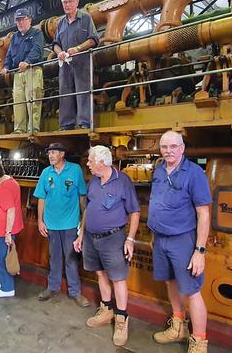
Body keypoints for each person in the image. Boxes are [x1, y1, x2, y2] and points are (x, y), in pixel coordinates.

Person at [148, 131, 212, 353]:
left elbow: (203, 213)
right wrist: (154, 236)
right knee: (170, 282)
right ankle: (178, 327)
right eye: (164, 147)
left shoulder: (194, 174)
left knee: (192, 291)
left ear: (182, 148)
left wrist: (199, 251)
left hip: (183, 240)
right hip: (160, 239)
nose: (169, 151)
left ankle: (199, 342)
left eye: (173, 146)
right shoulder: (158, 170)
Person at [74, 145, 140, 346]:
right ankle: (106, 310)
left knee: (118, 279)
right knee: (100, 273)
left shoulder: (123, 181)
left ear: (102, 162)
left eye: (90, 161)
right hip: (91, 238)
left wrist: (130, 239)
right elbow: (88, 209)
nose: (87, 164)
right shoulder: (93, 181)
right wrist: (81, 233)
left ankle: (121, 318)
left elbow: (135, 212)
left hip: (113, 238)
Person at [33, 142, 90, 307]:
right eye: (49, 152)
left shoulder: (75, 170)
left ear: (62, 154)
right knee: (54, 258)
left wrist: (82, 223)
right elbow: (41, 198)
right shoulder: (46, 172)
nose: (50, 155)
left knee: (71, 258)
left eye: (54, 152)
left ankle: (75, 292)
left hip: (71, 223)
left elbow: (82, 197)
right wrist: (40, 221)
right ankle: (52, 287)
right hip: (51, 224)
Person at [52, 0, 99, 130]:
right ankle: (66, 124)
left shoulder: (86, 18)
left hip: (82, 62)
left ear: (77, 2)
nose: (67, 5)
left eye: (70, 2)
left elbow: (93, 39)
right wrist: (59, 53)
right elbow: (55, 44)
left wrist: (78, 49)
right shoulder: (61, 23)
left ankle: (85, 122)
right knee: (65, 92)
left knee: (83, 91)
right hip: (65, 65)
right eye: (65, 2)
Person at [1, 8, 44, 134]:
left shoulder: (37, 34)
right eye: (18, 20)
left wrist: (28, 61)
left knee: (33, 100)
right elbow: (9, 54)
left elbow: (37, 49)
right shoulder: (15, 37)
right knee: (18, 101)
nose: (20, 23)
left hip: (33, 70)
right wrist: (6, 67)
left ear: (29, 20)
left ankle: (33, 129)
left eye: (22, 19)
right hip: (18, 74)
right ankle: (19, 129)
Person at [0, 160, 24, 298]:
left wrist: (7, 233)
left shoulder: (5, 187)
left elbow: (11, 210)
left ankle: (7, 288)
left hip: (5, 231)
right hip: (4, 229)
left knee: (3, 257)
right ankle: (3, 281)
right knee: (2, 255)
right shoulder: (10, 181)